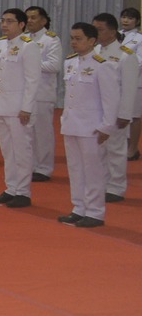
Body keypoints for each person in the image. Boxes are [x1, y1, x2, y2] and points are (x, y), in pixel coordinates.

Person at [59, 21, 119, 228]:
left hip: (92, 127)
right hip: (71, 124)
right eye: (72, 38)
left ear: (92, 41)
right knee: (75, 170)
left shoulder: (104, 65)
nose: (74, 42)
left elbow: (111, 100)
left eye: (79, 39)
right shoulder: (70, 62)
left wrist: (106, 126)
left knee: (93, 170)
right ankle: (79, 208)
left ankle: (94, 212)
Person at [0, 9, 36, 208]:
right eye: (3, 21)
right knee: (8, 151)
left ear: (22, 24)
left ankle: (23, 192)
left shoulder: (29, 46)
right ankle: (11, 188)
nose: (5, 25)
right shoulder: (0, 44)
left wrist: (26, 108)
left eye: (10, 21)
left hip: (18, 108)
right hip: (1, 104)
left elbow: (32, 80)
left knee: (22, 151)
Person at [93, 13, 133, 204]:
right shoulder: (95, 51)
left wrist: (125, 114)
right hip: (97, 110)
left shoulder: (125, 55)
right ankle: (102, 183)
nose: (96, 33)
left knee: (115, 150)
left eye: (100, 29)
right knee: (98, 150)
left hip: (117, 111)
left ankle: (116, 187)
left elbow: (129, 88)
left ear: (113, 30)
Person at [25, 5, 61, 181]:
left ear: (44, 20)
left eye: (33, 18)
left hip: (42, 93)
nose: (30, 21)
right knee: (26, 133)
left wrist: (31, 64)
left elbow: (54, 65)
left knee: (43, 133)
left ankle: (44, 168)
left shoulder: (50, 40)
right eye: (28, 18)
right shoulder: (23, 39)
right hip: (25, 94)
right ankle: (29, 166)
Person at [123, 8, 142, 165]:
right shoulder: (116, 35)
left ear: (137, 21)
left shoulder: (139, 38)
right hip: (118, 82)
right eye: (124, 17)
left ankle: (133, 149)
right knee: (121, 114)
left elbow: (140, 60)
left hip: (136, 81)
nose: (126, 20)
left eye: (130, 18)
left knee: (135, 116)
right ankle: (123, 145)